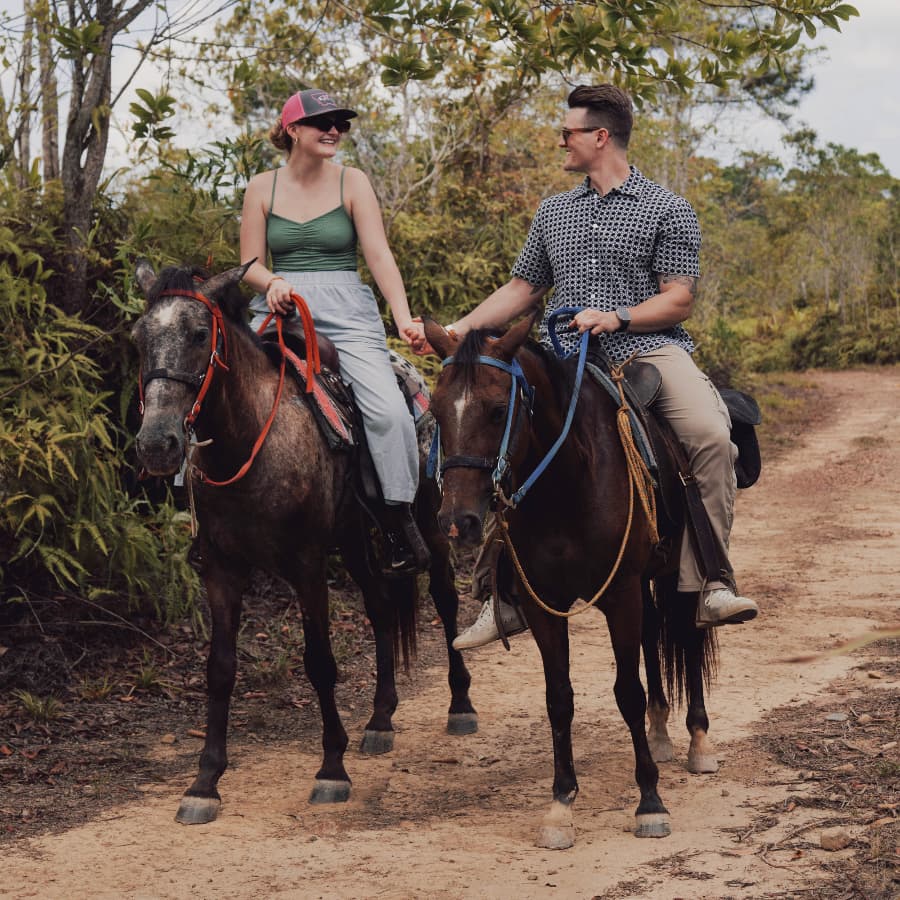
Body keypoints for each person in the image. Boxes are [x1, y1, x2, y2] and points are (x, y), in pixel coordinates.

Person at [445, 83, 759, 650]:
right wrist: (460, 330)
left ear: (600, 136)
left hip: (649, 350)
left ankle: (710, 580)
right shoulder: (554, 211)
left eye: (567, 132)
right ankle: (501, 593)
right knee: (499, 434)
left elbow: (678, 298)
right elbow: (523, 287)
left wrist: (618, 317)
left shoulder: (667, 208)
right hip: (562, 358)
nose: (560, 140)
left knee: (713, 435)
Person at [240, 87, 429, 576]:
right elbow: (249, 263)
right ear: (291, 130)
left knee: (388, 412)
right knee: (216, 379)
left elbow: (379, 255)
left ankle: (396, 522)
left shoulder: (353, 181)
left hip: (346, 308)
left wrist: (403, 316)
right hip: (279, 304)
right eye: (322, 122)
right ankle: (202, 517)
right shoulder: (262, 187)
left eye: (340, 124)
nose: (333, 131)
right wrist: (273, 280)